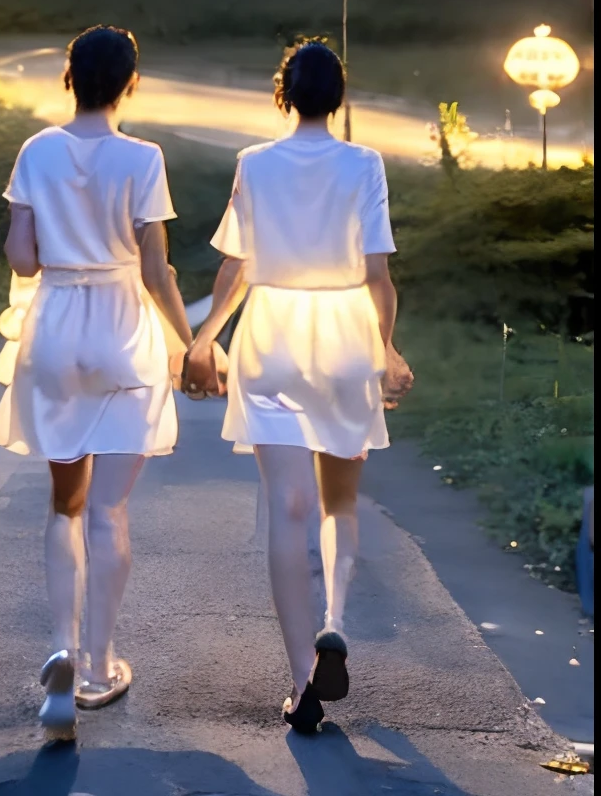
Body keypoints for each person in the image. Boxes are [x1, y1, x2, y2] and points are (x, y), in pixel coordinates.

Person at [183, 38, 414, 735]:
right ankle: (335, 621)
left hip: (274, 335)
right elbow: (377, 274)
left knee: (287, 509)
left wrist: (205, 337)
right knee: (339, 503)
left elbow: (237, 269)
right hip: (345, 333)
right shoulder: (363, 163)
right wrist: (387, 349)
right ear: (340, 98)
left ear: (281, 94)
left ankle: (299, 681)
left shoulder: (256, 163)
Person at [0, 26, 193, 742]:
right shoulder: (143, 158)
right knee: (109, 512)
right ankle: (102, 666)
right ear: (131, 83)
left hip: (56, 325)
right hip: (122, 326)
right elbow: (156, 271)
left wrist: (46, 237)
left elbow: (21, 260)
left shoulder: (37, 151)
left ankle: (62, 650)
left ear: (67, 77)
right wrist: (192, 345)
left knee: (63, 506)